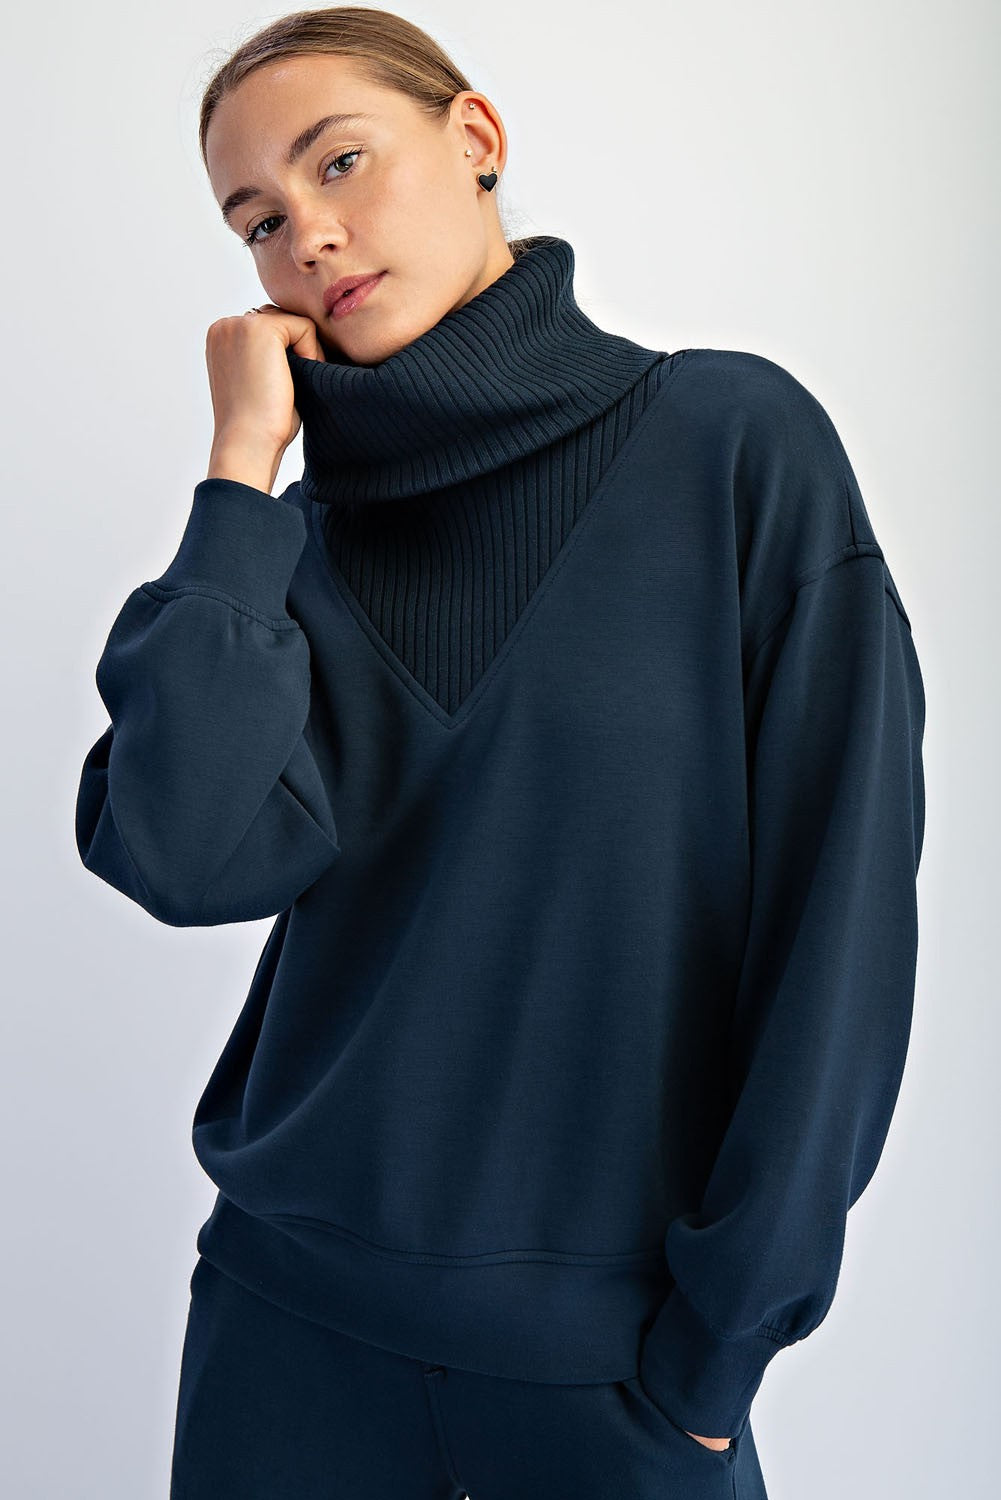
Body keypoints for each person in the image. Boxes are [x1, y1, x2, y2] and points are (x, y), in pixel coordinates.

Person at [74, 7, 926, 1498]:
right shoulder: (289, 554)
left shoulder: (732, 445)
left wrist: (718, 1349)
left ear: (474, 140)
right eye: (258, 220)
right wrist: (238, 481)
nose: (308, 235)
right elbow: (181, 856)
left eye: (340, 162)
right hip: (285, 1335)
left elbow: (838, 918)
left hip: (613, 1370)